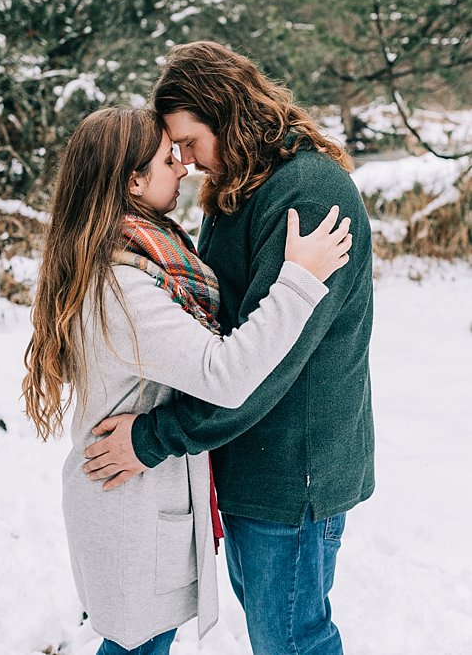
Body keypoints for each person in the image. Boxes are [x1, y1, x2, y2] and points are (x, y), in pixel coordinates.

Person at [22, 106, 353, 653]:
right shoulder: (122, 288)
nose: (182, 168)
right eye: (166, 158)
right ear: (132, 180)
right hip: (129, 506)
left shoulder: (142, 253)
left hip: (136, 502)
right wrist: (297, 280)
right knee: (139, 647)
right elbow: (224, 375)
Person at [84, 42, 375, 655]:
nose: (185, 162)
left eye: (188, 142)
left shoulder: (308, 195)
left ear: (227, 113)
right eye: (174, 151)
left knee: (292, 639)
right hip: (247, 460)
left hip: (292, 471)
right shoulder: (241, 188)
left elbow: (265, 366)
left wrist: (155, 437)